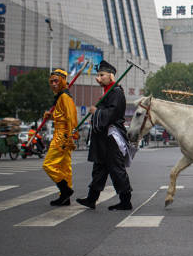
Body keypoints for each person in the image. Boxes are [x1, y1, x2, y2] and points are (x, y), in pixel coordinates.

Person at [77, 60, 134, 211]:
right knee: (99, 168)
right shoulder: (108, 92)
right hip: (103, 138)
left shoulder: (116, 92)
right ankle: (91, 198)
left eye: (102, 75)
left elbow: (112, 114)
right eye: (98, 75)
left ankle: (125, 200)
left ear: (111, 76)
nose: (99, 78)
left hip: (112, 137)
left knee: (116, 168)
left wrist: (97, 112)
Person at [42, 69, 78, 206]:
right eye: (51, 82)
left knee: (48, 164)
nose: (53, 84)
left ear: (63, 80)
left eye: (56, 81)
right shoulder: (61, 96)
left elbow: (71, 118)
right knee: (64, 167)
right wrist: (50, 116)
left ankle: (65, 190)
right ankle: (65, 197)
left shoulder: (64, 97)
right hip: (62, 133)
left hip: (62, 135)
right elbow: (62, 117)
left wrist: (71, 136)